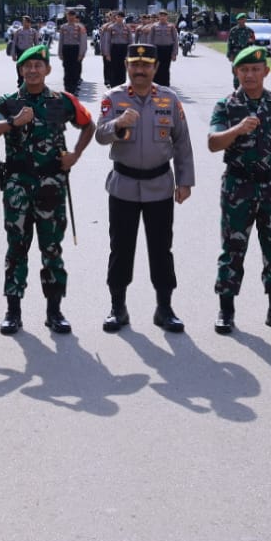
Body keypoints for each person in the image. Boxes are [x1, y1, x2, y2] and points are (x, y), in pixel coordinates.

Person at [0, 44, 94, 334]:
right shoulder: (8, 101)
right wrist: (13, 122)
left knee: (52, 250)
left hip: (51, 187)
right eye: (27, 66)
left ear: (48, 69)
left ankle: (54, 312)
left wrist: (75, 155)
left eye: (38, 66)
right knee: (16, 250)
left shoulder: (62, 100)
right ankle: (13, 311)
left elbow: (88, 125)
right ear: (20, 70)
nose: (32, 71)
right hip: (18, 187)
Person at [94, 43, 195, 333]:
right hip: (123, 186)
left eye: (146, 65)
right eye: (135, 65)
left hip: (160, 186)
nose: (140, 70)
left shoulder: (169, 99)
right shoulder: (112, 98)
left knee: (161, 249)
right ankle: (118, 307)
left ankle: (164, 308)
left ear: (155, 68)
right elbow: (100, 135)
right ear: (127, 66)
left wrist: (185, 180)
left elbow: (182, 142)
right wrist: (117, 123)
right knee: (121, 249)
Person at [209, 46, 271, 334]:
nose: (249, 74)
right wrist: (237, 129)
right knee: (233, 248)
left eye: (255, 69)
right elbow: (213, 143)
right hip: (238, 184)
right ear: (236, 72)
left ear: (266, 71)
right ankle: (226, 311)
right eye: (244, 70)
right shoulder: (226, 105)